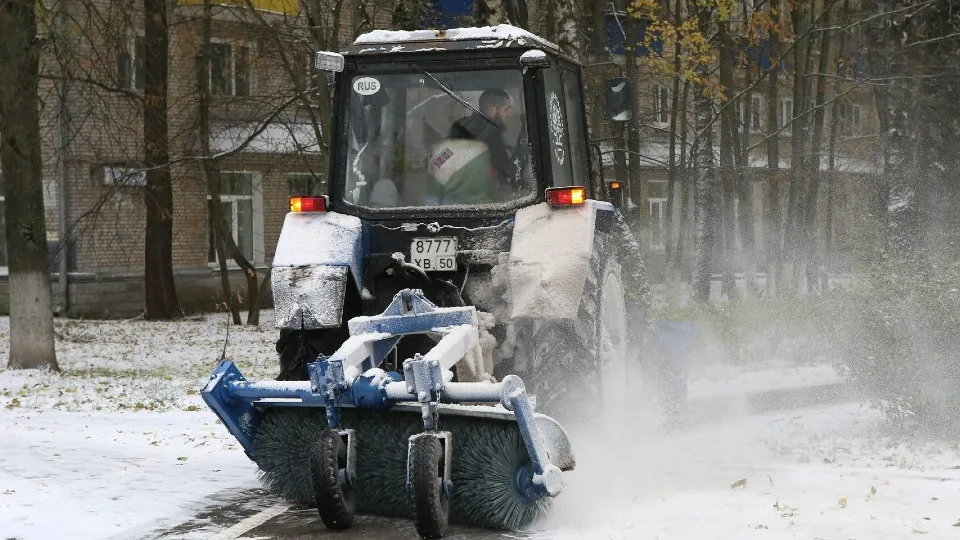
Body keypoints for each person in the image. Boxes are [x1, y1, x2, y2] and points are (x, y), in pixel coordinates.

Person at [447, 89, 519, 189]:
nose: (509, 114)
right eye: (506, 109)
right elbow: (506, 174)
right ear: (491, 111)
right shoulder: (492, 134)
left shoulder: (460, 124)